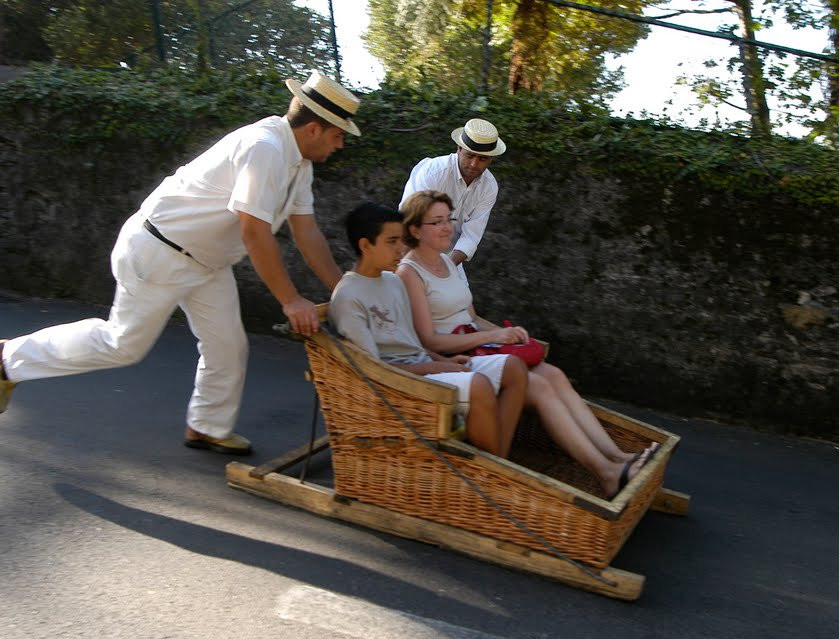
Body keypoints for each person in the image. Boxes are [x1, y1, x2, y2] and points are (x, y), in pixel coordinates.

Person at [0, 71, 360, 455]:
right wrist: (290, 300)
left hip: (206, 262)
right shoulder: (265, 148)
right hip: (160, 251)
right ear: (315, 129)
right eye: (338, 135)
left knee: (227, 346)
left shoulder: (299, 165)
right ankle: (7, 359)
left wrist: (344, 292)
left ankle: (207, 426)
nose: (340, 145)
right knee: (121, 344)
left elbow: (307, 234)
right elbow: (254, 232)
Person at [396, 190, 656, 499]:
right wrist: (493, 337)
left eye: (449, 219)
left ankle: (618, 458)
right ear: (414, 229)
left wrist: (509, 333)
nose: (447, 227)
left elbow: (472, 316)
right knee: (540, 386)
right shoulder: (409, 272)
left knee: (554, 375)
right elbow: (430, 339)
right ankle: (607, 473)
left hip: (481, 347)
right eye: (436, 221)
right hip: (457, 358)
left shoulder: (448, 263)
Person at [329, 202, 527, 459]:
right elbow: (371, 370)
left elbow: (411, 342)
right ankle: (496, 473)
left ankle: (501, 461)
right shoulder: (348, 296)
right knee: (478, 385)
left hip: (424, 367)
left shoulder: (391, 280)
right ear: (366, 246)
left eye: (401, 240)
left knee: (513, 367)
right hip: (399, 383)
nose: (401, 248)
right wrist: (435, 368)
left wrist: (443, 361)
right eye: (391, 241)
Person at [399, 118, 504, 268]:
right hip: (412, 250)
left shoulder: (489, 186)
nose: (474, 164)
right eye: (470, 155)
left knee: (461, 291)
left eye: (482, 158)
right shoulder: (434, 172)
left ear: (491, 159)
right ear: (458, 148)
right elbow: (411, 221)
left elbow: (472, 234)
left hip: (450, 259)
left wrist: (446, 266)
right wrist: (411, 265)